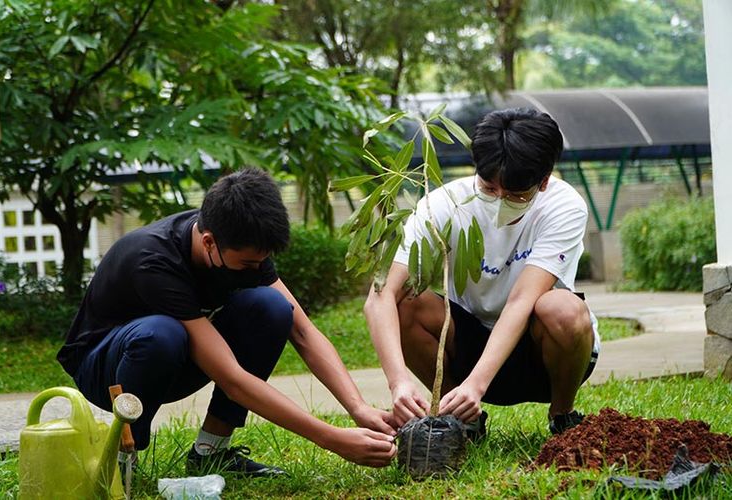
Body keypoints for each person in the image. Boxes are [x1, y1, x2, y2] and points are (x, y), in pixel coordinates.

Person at [57, 168, 397, 477]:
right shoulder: (153, 260)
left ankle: (211, 452)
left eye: (261, 262)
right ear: (209, 243)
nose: (257, 269)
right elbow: (232, 379)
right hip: (105, 368)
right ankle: (121, 459)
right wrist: (332, 439)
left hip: (174, 355)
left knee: (273, 308)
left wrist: (358, 408)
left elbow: (303, 331)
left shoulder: (239, 239)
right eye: (248, 263)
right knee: (161, 334)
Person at [364, 107, 600, 438]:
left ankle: (562, 415)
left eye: (517, 195)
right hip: (467, 342)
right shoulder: (444, 204)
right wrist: (398, 381)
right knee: (405, 301)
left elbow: (521, 300)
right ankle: (457, 416)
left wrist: (477, 384)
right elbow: (380, 297)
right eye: (489, 188)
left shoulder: (564, 207)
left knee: (563, 308)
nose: (500, 200)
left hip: (540, 352)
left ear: (544, 181)